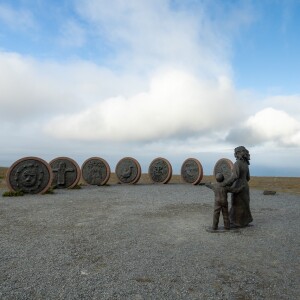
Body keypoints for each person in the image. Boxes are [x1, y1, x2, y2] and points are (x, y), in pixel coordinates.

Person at [222, 146, 253, 227]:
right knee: (245, 204)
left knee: (236, 204)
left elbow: (234, 176)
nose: (235, 155)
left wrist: (225, 184)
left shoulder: (237, 164)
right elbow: (248, 177)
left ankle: (237, 222)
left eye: (236, 153)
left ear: (238, 153)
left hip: (238, 185)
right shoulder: (246, 164)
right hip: (245, 186)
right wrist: (244, 182)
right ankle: (245, 221)